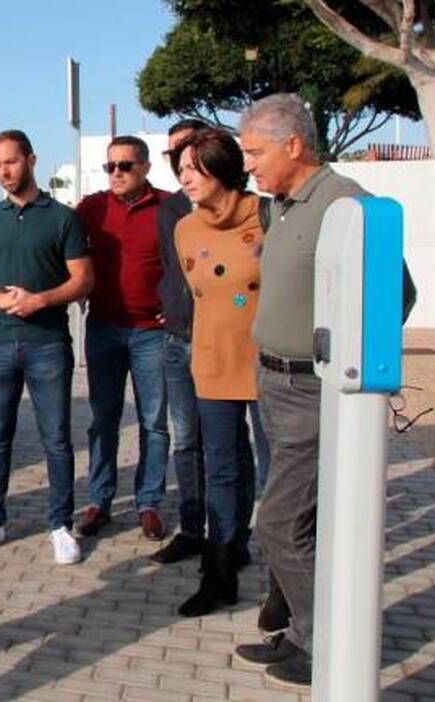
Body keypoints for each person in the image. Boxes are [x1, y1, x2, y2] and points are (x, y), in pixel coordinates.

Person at [231, 93, 416, 688]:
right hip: (273, 382)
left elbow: (398, 293)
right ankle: (300, 630)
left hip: (312, 389)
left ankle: (325, 643)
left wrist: (336, 353)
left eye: (255, 152)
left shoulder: (347, 205)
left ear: (293, 145)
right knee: (300, 518)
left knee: (280, 522)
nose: (248, 166)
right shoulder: (281, 206)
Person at [0, 130, 94, 564]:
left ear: (31, 160)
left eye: (11, 162)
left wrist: (40, 300)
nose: (4, 172)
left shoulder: (62, 218)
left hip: (47, 344)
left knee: (56, 439)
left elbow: (83, 280)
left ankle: (60, 524)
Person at [171, 128, 265, 617]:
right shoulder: (185, 229)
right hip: (211, 363)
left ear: (220, 166)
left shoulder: (269, 215)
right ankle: (220, 570)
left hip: (271, 366)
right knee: (221, 469)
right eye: (181, 169)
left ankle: (286, 573)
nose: (184, 177)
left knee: (278, 471)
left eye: (193, 167)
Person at [75, 135, 171, 542]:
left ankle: (148, 502)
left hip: (153, 333)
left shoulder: (169, 208)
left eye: (125, 166)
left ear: (145, 168)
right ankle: (100, 500)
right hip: (104, 330)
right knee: (104, 420)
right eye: (110, 166)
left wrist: (179, 304)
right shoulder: (91, 209)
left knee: (153, 422)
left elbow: (187, 261)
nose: (116, 173)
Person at [151, 118, 209, 564]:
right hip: (177, 338)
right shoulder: (170, 209)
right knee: (185, 439)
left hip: (225, 343)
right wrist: (167, 302)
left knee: (230, 446)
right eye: (173, 154)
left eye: (187, 149)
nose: (180, 161)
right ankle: (192, 530)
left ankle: (233, 538)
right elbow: (172, 269)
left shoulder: (247, 208)